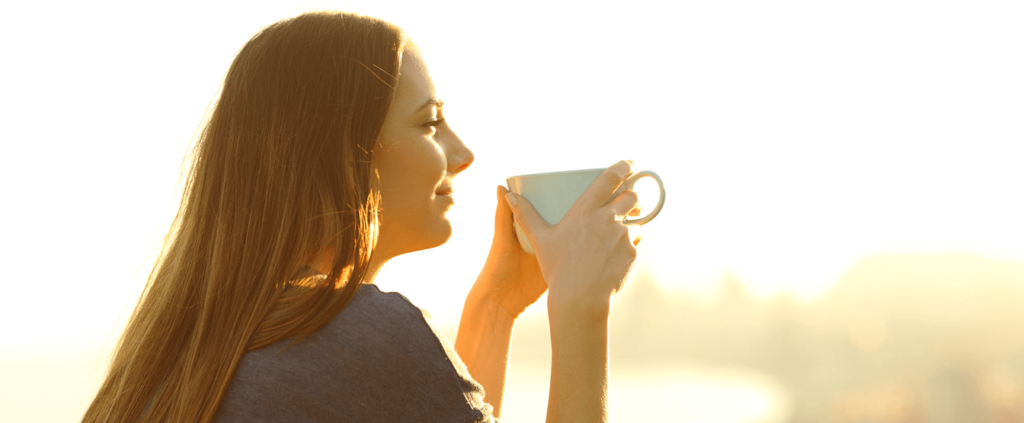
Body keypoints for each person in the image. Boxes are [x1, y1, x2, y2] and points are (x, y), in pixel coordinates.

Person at [83, 10, 642, 423]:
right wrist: (580, 308)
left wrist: (494, 309)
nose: (464, 153)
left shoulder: (183, 355)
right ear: (343, 153)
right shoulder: (358, 337)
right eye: (429, 124)